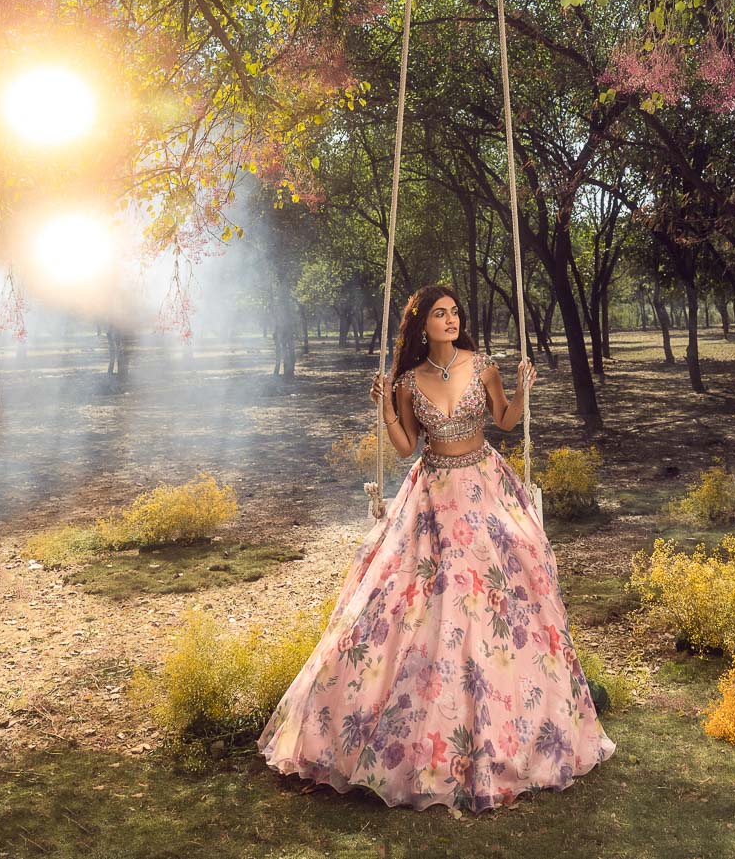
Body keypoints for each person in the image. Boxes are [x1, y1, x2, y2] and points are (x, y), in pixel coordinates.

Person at [257, 283, 617, 813]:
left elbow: (505, 422)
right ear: (421, 324)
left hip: (483, 488)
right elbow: (405, 446)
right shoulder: (407, 382)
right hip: (433, 494)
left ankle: (515, 730)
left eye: (454, 313)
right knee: (424, 598)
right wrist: (382, 407)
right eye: (440, 314)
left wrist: (522, 390)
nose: (450, 320)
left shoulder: (485, 365)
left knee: (502, 598)